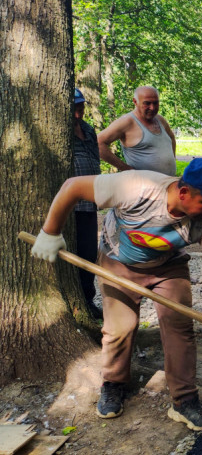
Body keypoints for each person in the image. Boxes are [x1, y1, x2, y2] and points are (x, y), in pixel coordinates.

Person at [30, 158, 202, 431]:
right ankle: (113, 384)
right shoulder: (137, 187)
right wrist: (51, 232)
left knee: (179, 328)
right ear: (183, 193)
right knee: (120, 327)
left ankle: (184, 401)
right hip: (118, 263)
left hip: (169, 267)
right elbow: (73, 186)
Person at [71, 88, 102, 318]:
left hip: (89, 203)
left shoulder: (89, 131)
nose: (78, 112)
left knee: (89, 253)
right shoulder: (59, 131)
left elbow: (95, 159)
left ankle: (88, 300)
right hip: (70, 206)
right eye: (75, 108)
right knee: (74, 253)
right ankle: (77, 300)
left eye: (81, 107)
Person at [98, 85, 177, 175]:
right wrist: (126, 169)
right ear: (135, 102)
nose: (152, 107)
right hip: (144, 186)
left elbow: (171, 137)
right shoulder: (127, 122)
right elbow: (98, 143)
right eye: (147, 103)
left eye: (155, 103)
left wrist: (172, 160)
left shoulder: (160, 119)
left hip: (168, 183)